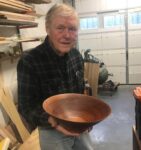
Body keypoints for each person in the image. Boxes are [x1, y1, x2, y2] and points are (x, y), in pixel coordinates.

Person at [17, 3, 93, 150]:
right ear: (47, 28)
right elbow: (26, 107)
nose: (67, 35)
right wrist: (53, 121)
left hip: (78, 124)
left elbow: (80, 93)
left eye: (72, 29)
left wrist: (87, 119)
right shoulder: (30, 61)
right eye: (60, 28)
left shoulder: (76, 56)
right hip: (51, 130)